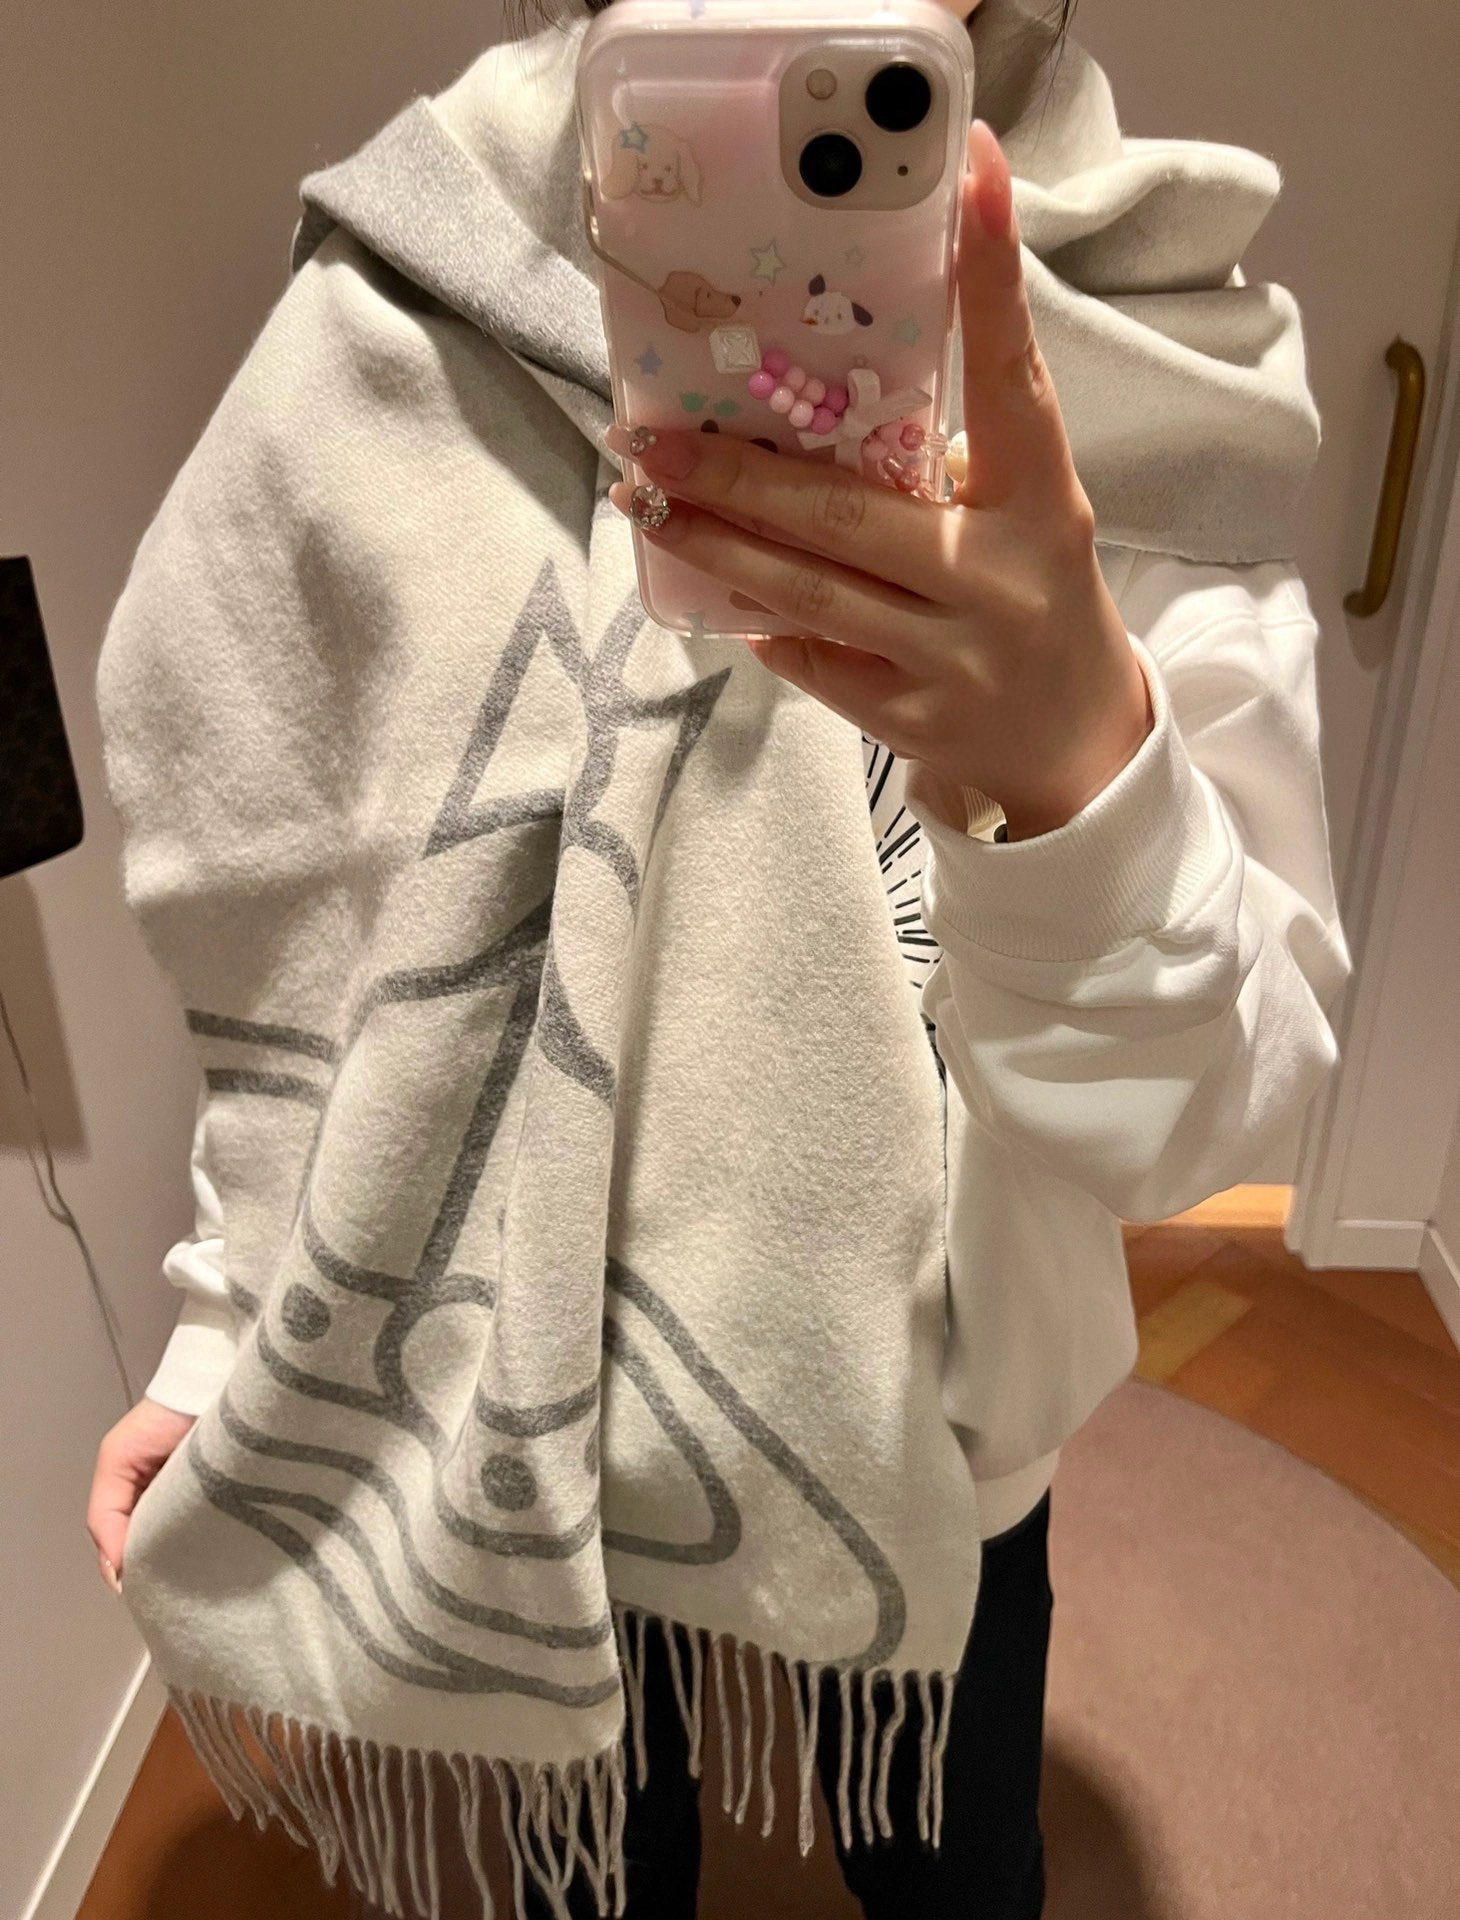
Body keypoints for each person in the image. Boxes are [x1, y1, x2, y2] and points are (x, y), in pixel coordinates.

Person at [88, 2, 1350, 1917]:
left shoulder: (1148, 333)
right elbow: (317, 879)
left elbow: (1212, 1116)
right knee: (608, 1864)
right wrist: (232, 1315)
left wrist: (1074, 765)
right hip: (536, 1344)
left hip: (950, 1399)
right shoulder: (404, 294)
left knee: (949, 1863)